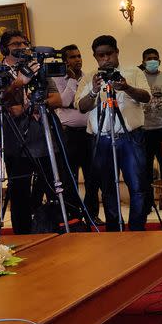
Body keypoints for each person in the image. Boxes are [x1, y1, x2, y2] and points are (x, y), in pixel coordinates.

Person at [76, 35, 151, 232]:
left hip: (130, 137)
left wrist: (126, 87)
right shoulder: (89, 77)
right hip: (101, 138)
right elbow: (81, 107)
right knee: (108, 188)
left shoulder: (133, 72)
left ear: (117, 52)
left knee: (137, 186)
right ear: (95, 56)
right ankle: (114, 229)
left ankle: (136, 229)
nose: (106, 59)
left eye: (109, 54)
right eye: (101, 55)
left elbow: (146, 97)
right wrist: (93, 90)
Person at [0, 29, 62, 234]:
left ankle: (48, 230)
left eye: (24, 43)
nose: (21, 47)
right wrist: (19, 86)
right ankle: (24, 236)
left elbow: (57, 99)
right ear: (4, 48)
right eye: (16, 44)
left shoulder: (37, 69)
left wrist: (35, 103)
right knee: (20, 194)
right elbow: (10, 107)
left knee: (51, 189)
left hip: (44, 141)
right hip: (17, 145)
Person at [55, 44, 101, 223]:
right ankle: (74, 216)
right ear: (65, 61)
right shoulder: (58, 79)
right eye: (73, 57)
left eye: (79, 56)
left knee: (92, 176)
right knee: (69, 178)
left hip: (88, 133)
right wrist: (72, 81)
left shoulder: (89, 78)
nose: (78, 59)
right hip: (68, 135)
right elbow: (66, 102)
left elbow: (92, 101)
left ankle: (92, 215)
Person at [140, 48, 162, 182]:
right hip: (145, 129)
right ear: (143, 62)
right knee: (146, 166)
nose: (152, 61)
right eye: (149, 59)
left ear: (159, 61)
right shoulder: (139, 77)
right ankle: (149, 200)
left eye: (155, 58)